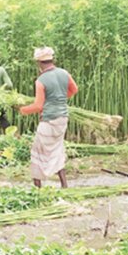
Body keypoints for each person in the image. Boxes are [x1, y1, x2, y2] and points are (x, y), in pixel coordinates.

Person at [18, 46, 78, 188]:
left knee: (37, 152)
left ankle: (37, 188)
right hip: (63, 118)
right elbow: (74, 90)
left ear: (39, 63)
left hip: (49, 120)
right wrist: (60, 99)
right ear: (52, 59)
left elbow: (38, 106)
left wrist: (23, 110)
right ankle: (64, 185)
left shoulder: (41, 80)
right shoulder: (64, 73)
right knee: (57, 150)